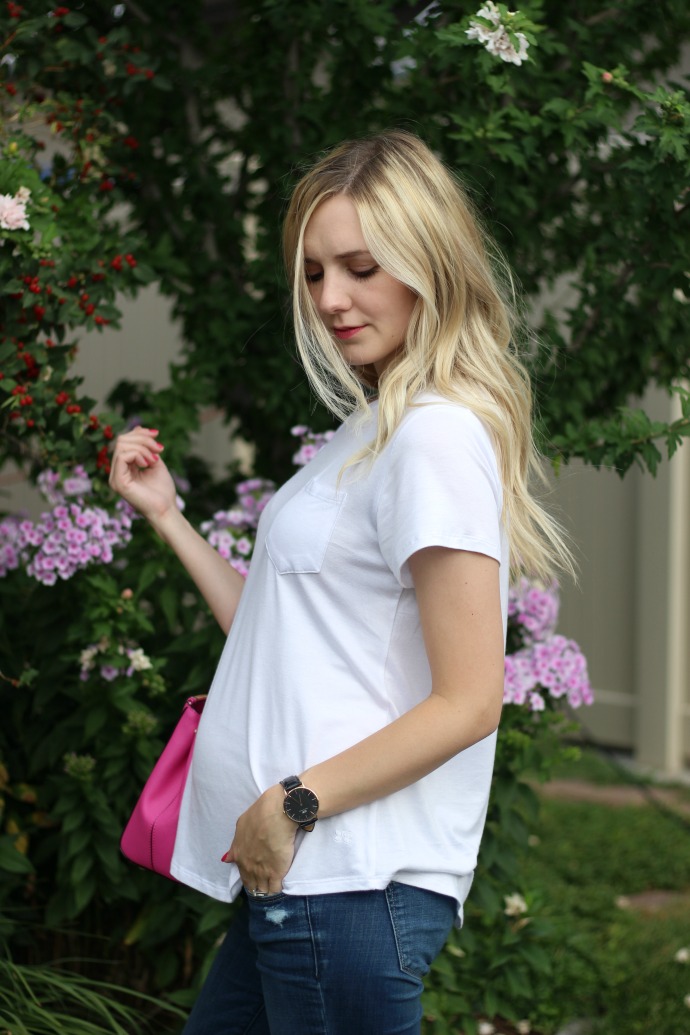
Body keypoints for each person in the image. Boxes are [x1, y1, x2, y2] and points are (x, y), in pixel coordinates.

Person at [110, 131, 571, 1035]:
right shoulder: (374, 427)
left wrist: (293, 802)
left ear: (430, 265)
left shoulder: (434, 436)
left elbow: (471, 699)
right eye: (316, 272)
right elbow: (282, 632)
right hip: (304, 883)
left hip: (350, 882)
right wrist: (169, 517)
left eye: (361, 268)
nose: (329, 298)